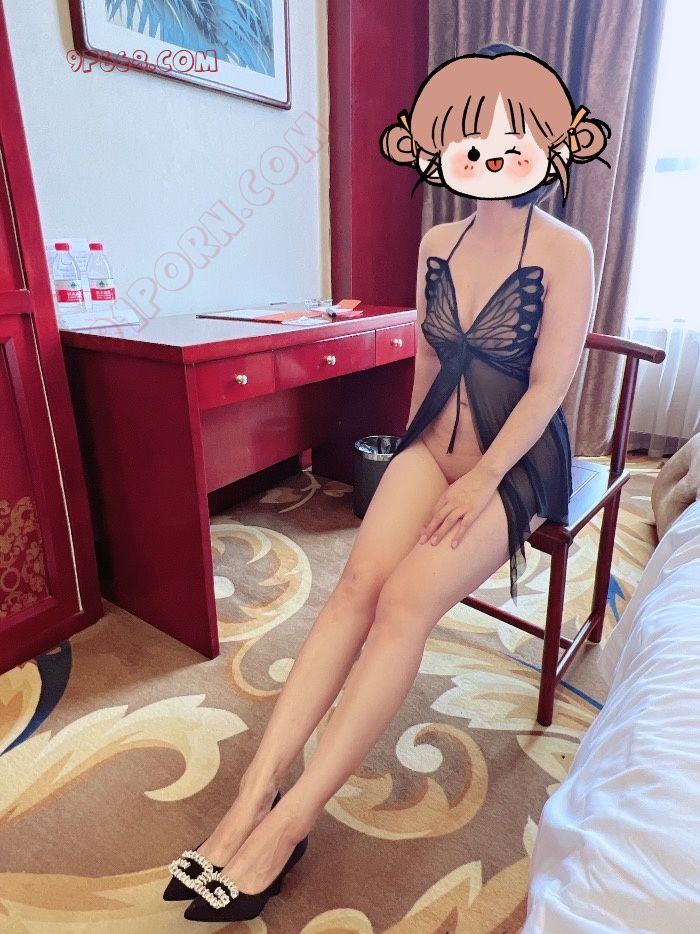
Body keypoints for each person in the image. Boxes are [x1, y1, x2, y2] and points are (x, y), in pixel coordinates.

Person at [165, 42, 610, 923]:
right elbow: (428, 363)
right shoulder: (438, 240)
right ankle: (252, 795)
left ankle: (291, 822)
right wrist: (412, 461)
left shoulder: (568, 250)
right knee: (353, 590)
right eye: (469, 142)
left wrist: (480, 480)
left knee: (405, 602)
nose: (490, 158)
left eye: (513, 141)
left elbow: (551, 387)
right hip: (433, 443)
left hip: (516, 464)